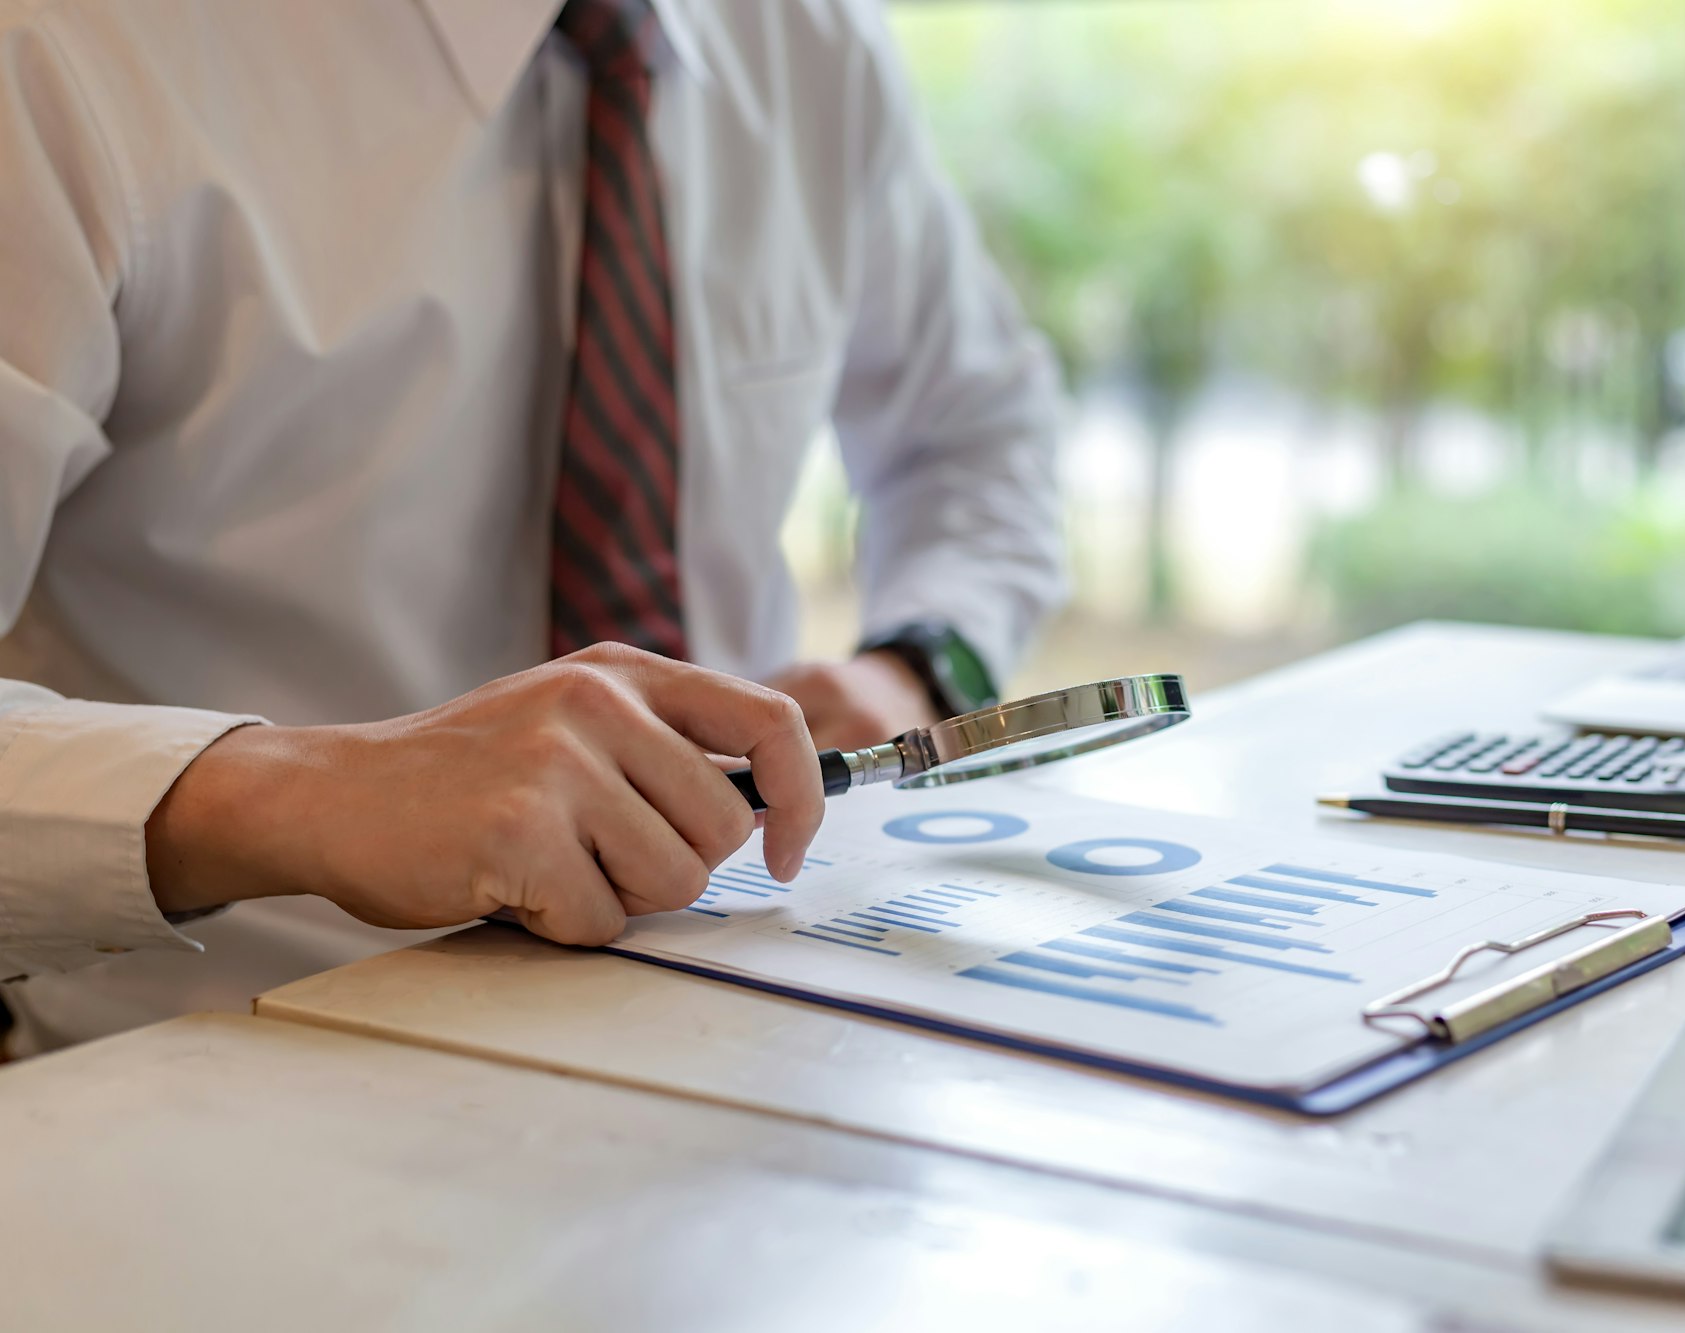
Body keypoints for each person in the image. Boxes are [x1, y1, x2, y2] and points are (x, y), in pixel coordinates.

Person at [0, 0, 1065, 1054]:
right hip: (212, 1054)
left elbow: (977, 430)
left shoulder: (809, 36)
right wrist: (311, 798)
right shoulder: (64, 50)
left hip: (748, 1004)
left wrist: (913, 668)